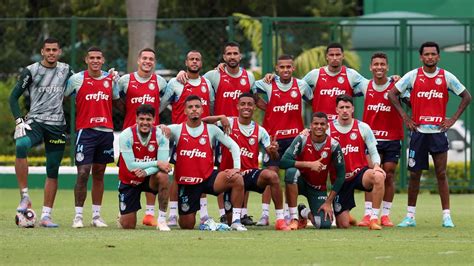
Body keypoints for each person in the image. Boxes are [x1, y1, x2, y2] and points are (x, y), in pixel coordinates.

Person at [388, 41, 471, 228]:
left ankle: (446, 217)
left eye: (433, 54)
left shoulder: (446, 76)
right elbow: (392, 94)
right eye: (426, 54)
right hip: (418, 133)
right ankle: (410, 217)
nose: (430, 57)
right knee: (415, 175)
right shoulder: (413, 76)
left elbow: (467, 96)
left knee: (441, 174)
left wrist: (452, 120)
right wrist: (405, 117)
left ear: (438, 56)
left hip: (438, 133)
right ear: (421, 57)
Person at [177, 42, 258, 225]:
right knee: (212, 170)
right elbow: (195, 80)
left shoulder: (249, 77)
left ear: (240, 56)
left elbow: (254, 98)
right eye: (228, 54)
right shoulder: (213, 75)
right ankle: (219, 212)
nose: (232, 57)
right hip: (217, 131)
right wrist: (182, 73)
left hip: (239, 130)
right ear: (223, 57)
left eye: (235, 53)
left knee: (240, 171)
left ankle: (241, 213)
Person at [9, 37, 73, 227]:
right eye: (48, 50)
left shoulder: (66, 70)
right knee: (21, 145)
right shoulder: (32, 70)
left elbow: (81, 84)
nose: (51, 53)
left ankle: (46, 216)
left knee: (52, 170)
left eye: (55, 50)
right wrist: (19, 120)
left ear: (59, 52)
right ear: (42, 52)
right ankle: (25, 196)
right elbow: (13, 98)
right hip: (35, 122)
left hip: (57, 126)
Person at [203, 93, 290, 231]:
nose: (246, 107)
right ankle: (235, 219)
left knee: (272, 176)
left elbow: (273, 157)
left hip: (249, 174)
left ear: (254, 107)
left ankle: (280, 219)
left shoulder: (260, 131)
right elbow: (202, 121)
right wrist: (220, 117)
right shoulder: (228, 123)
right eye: (243, 104)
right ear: (237, 106)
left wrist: (274, 150)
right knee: (230, 221)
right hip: (230, 176)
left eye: (250, 104)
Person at [168, 95, 247, 231]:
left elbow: (233, 146)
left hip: (208, 177)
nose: (194, 109)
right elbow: (155, 133)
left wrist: (236, 168)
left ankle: (236, 220)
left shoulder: (211, 129)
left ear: (202, 110)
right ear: (185, 111)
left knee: (237, 179)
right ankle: (203, 221)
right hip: (188, 183)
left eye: (197, 107)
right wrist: (162, 127)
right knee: (187, 225)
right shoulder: (177, 129)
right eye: (190, 107)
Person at [254, 54, 313, 228]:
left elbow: (312, 101)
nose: (286, 70)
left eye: (289, 67)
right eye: (282, 67)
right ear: (276, 69)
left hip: (294, 140)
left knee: (290, 176)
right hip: (274, 139)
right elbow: (250, 89)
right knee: (270, 175)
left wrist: (308, 126)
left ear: (293, 68)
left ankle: (289, 214)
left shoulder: (301, 85)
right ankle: (264, 214)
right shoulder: (268, 83)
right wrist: (265, 105)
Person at [65, 46, 120, 228]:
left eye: (99, 58)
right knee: (82, 173)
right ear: (86, 60)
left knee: (99, 173)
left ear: (103, 60)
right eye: (92, 58)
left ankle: (96, 216)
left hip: (105, 132)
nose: (95, 61)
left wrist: (118, 81)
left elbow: (117, 100)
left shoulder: (110, 80)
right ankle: (78, 216)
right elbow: (63, 96)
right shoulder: (76, 80)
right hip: (85, 131)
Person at [161, 50, 214, 226]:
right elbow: (161, 105)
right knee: (177, 174)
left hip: (201, 137)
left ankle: (204, 213)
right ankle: (173, 214)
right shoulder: (176, 83)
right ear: (186, 62)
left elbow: (211, 107)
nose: (194, 62)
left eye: (197, 59)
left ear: (201, 63)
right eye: (191, 59)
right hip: (180, 137)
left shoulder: (206, 83)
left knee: (203, 172)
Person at [117, 48, 168, 227]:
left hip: (151, 135)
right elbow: (117, 101)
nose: (147, 61)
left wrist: (158, 123)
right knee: (127, 170)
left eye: (151, 59)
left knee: (155, 173)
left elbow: (166, 101)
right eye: (144, 58)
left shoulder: (160, 82)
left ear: (154, 62)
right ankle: (123, 208)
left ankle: (149, 213)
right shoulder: (125, 80)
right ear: (138, 61)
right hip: (131, 136)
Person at [357, 52, 404, 227]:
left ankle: (385, 215)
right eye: (375, 64)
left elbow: (410, 98)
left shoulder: (397, 86)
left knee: (389, 175)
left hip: (392, 137)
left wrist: (397, 81)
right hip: (371, 139)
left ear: (387, 67)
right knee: (372, 175)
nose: (379, 67)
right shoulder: (364, 85)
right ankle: (368, 214)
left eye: (382, 64)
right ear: (370, 67)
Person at [329, 94, 386, 230]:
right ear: (336, 109)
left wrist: (377, 165)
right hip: (340, 179)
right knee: (343, 225)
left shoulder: (363, 127)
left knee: (378, 176)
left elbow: (373, 151)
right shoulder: (328, 129)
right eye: (341, 107)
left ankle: (373, 219)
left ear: (353, 109)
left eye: (347, 107)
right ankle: (345, 215)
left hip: (359, 174)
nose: (344, 110)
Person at [280, 112, 346, 230]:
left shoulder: (334, 145)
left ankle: (303, 212)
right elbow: (283, 162)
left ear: (327, 126)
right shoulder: (302, 139)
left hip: (317, 188)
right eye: (316, 123)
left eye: (322, 124)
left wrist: (328, 202)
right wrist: (309, 165)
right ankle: (294, 218)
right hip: (299, 182)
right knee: (291, 173)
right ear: (311, 125)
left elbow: (341, 175)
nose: (319, 126)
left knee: (323, 224)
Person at [118, 104, 171, 231]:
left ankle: (162, 220)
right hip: (130, 179)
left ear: (154, 120)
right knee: (128, 225)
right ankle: (122, 214)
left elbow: (163, 165)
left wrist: (147, 171)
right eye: (141, 119)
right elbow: (131, 165)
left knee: (164, 176)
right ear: (136, 119)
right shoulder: (126, 135)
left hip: (149, 177)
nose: (145, 123)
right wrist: (157, 163)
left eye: (148, 119)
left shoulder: (161, 135)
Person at [302, 42, 366, 120]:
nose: (335, 58)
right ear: (327, 57)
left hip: (344, 127)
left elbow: (369, 87)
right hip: (321, 127)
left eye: (338, 55)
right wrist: (313, 100)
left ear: (343, 56)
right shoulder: (315, 74)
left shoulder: (351, 74)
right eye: (331, 55)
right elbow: (298, 87)